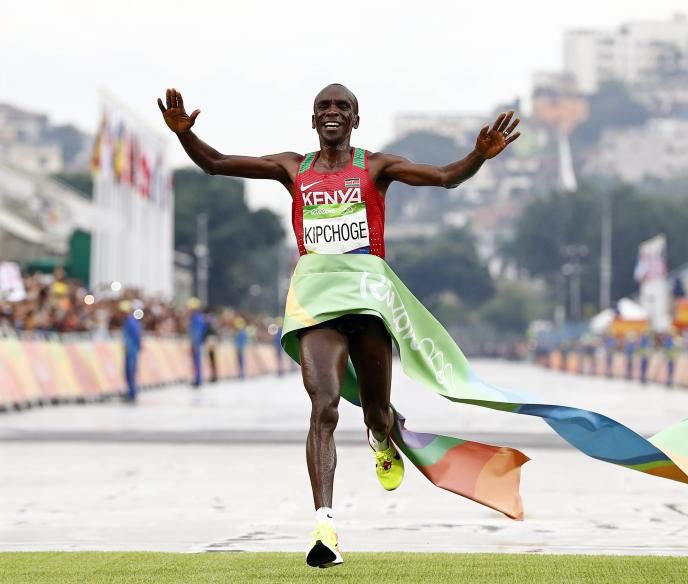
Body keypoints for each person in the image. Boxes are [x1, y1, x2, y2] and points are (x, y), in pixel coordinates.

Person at [159, 85, 520, 568]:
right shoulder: (294, 168)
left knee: (376, 412)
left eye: (342, 107)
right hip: (316, 300)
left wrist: (477, 156)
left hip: (368, 299)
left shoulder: (376, 167)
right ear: (313, 121)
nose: (333, 113)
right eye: (324, 107)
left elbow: (443, 177)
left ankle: (381, 434)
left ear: (355, 119)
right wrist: (187, 135)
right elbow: (217, 164)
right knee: (323, 407)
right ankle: (325, 528)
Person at [120, 300, 142, 402]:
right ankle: (130, 392)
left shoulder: (132, 322)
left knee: (131, 372)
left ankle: (132, 393)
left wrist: (137, 346)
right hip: (128, 350)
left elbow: (137, 336)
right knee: (127, 372)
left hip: (132, 351)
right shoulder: (126, 322)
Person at [187, 297, 206, 387]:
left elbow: (196, 333)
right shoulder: (196, 317)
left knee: (197, 362)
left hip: (197, 344)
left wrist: (194, 344)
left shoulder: (197, 318)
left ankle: (198, 380)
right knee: (196, 362)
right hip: (196, 343)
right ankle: (197, 379)